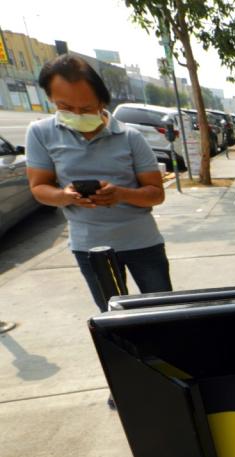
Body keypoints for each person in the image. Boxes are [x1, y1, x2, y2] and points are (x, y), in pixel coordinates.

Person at [26, 54, 169, 315]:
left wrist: (121, 194)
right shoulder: (40, 133)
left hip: (142, 241)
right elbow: (39, 188)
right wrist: (65, 195)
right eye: (66, 107)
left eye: (87, 107)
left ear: (102, 100)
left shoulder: (130, 137)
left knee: (163, 312)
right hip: (90, 246)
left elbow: (156, 194)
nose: (78, 114)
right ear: (51, 100)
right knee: (114, 318)